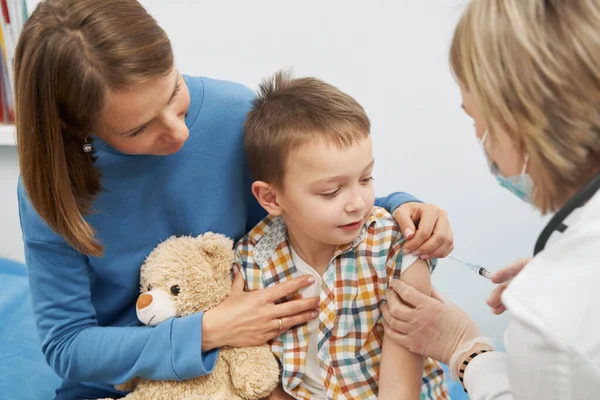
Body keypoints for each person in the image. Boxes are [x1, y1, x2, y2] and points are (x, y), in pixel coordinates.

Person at [14, 1, 455, 399]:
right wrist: (207, 331)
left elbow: (314, 187)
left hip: (251, 369)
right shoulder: (50, 189)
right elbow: (68, 346)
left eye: (175, 96)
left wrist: (402, 206)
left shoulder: (233, 113)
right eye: (138, 130)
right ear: (79, 128)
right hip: (127, 383)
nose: (179, 132)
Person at [381, 0, 600, 399]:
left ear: (518, 118)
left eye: (474, 116)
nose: (479, 134)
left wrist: (464, 350)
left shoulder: (553, 310)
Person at [236, 71, 448, 400]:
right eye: (331, 192)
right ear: (271, 199)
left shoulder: (397, 250)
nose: (358, 203)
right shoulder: (251, 261)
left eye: (366, 178)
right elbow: (258, 370)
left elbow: (400, 391)